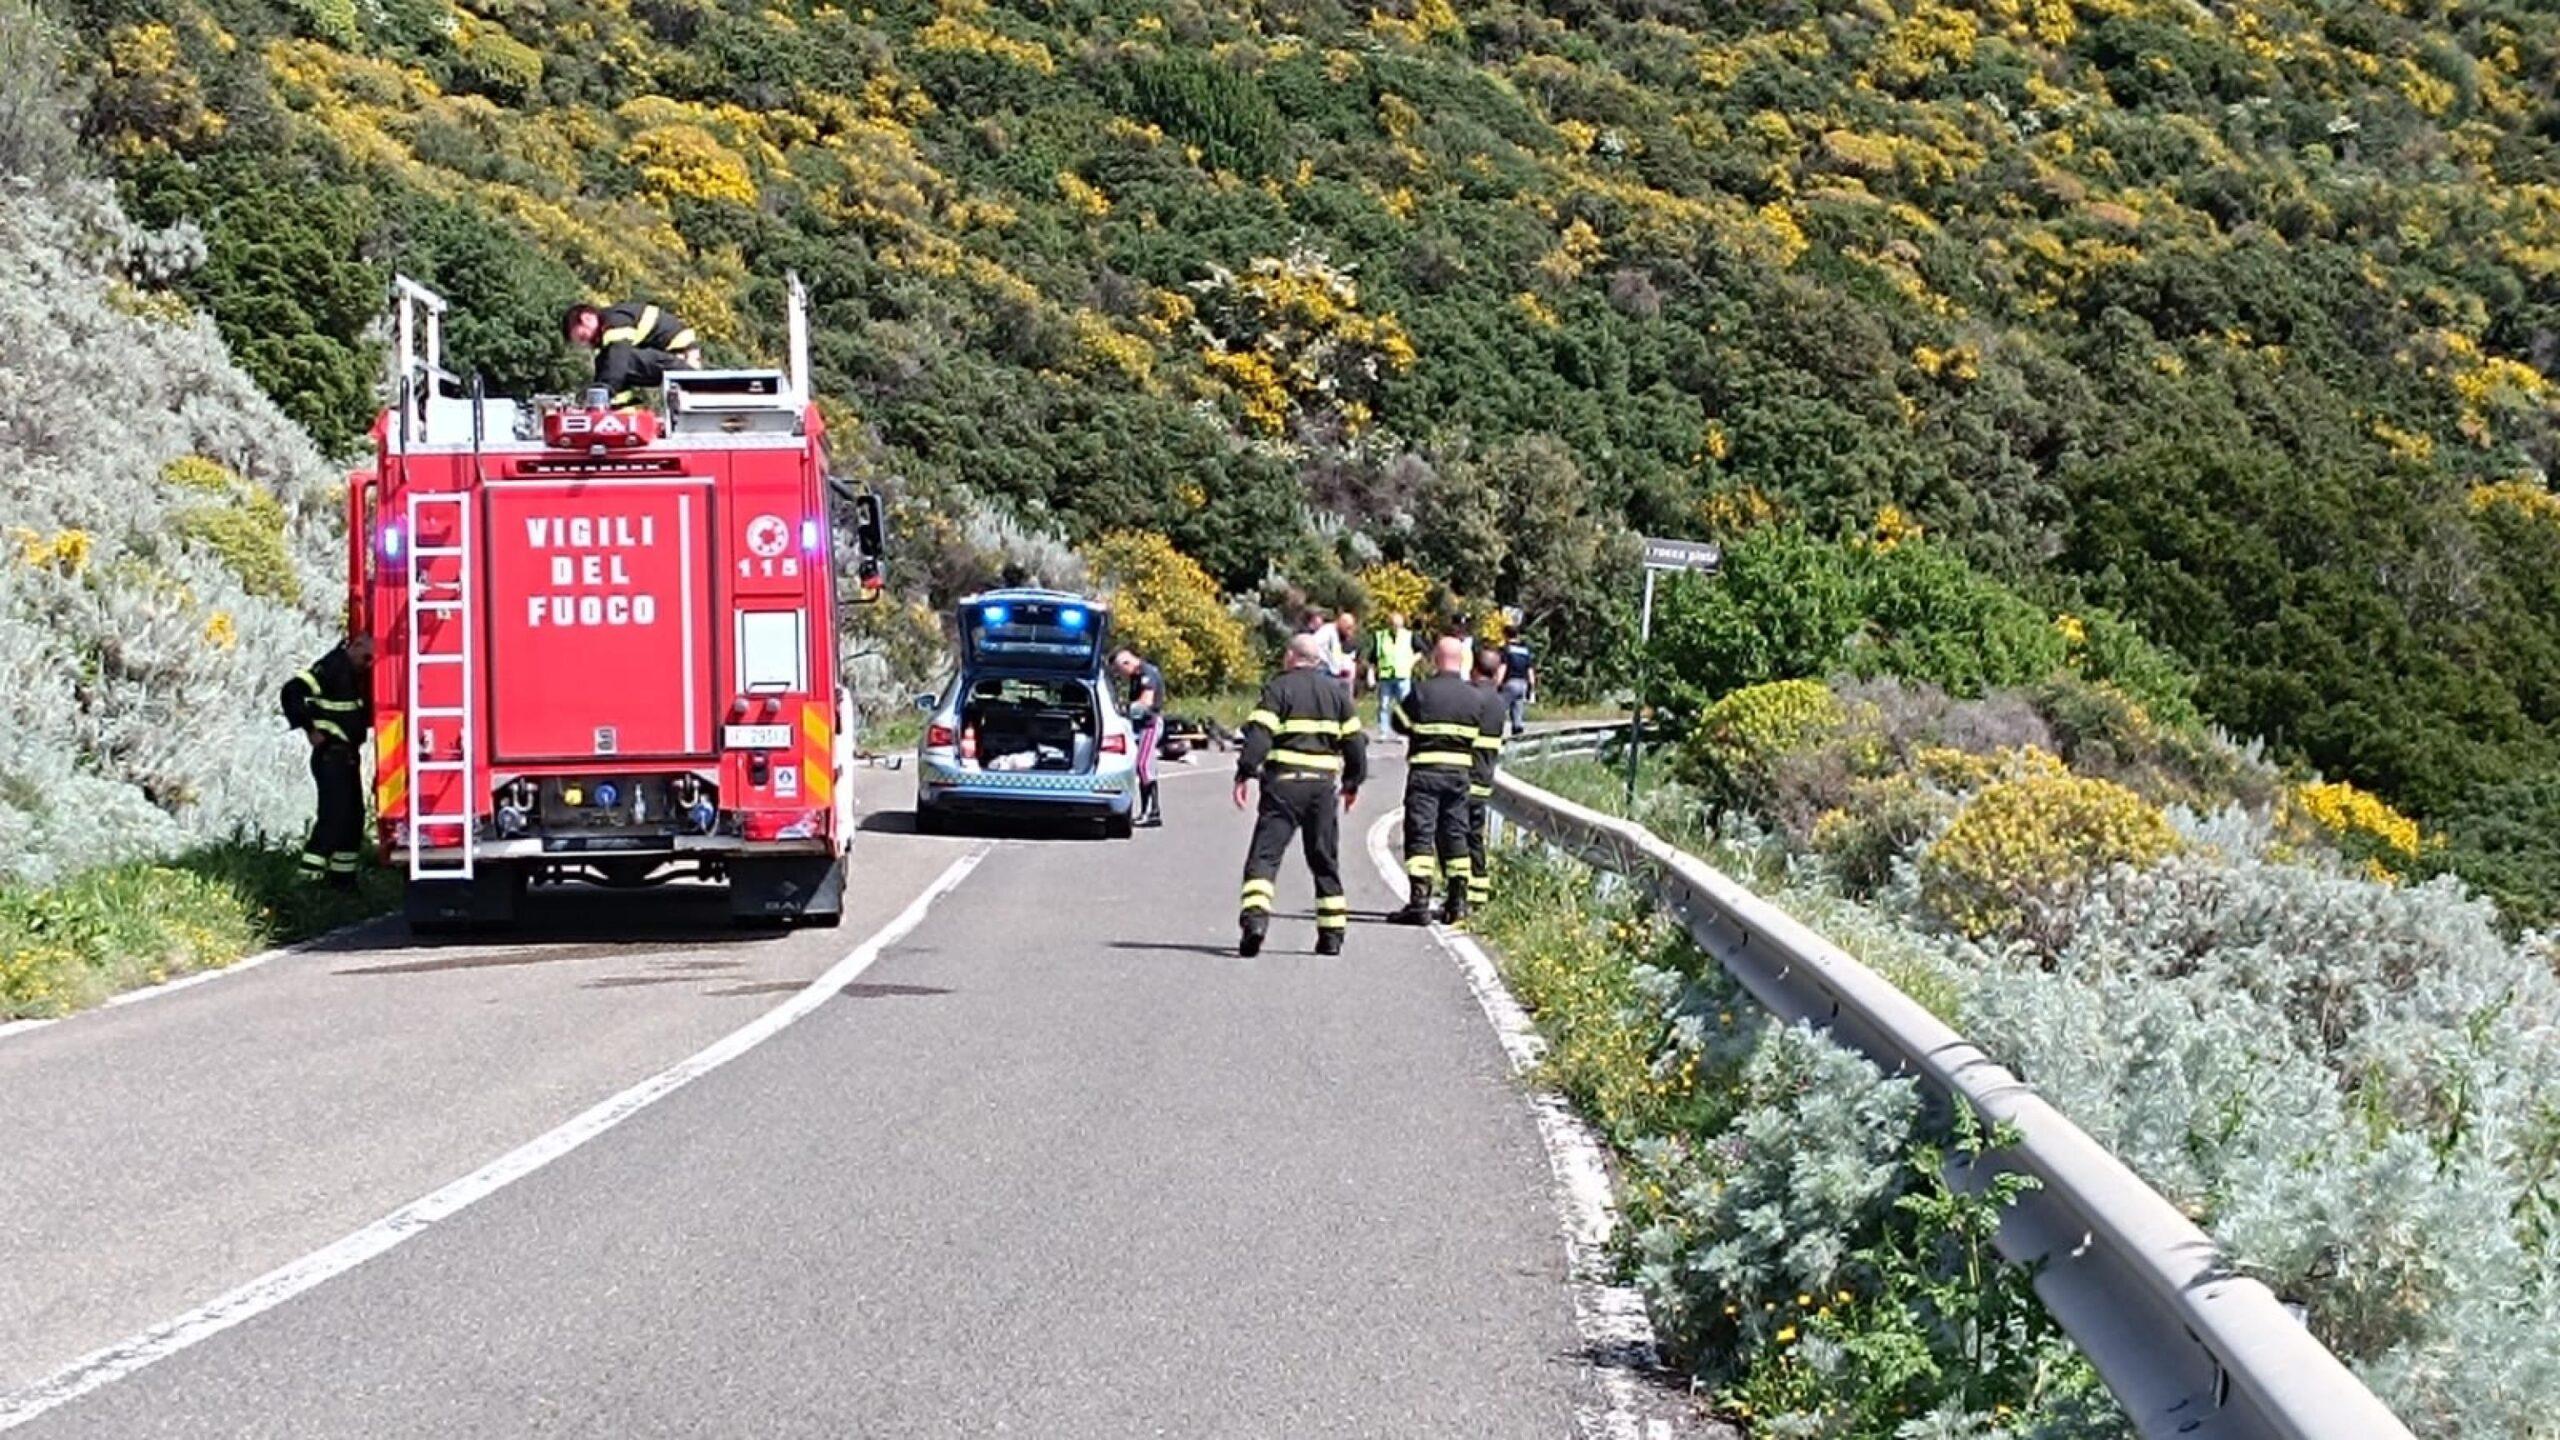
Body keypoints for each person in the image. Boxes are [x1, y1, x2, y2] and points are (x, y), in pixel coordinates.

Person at [1232, 634, 1366, 956]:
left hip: (1283, 787)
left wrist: (1245, 772)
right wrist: (1352, 783)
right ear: (1318, 660)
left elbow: (1260, 736)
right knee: (1324, 860)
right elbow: (1355, 744)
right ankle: (1331, 935)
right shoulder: (1337, 694)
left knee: (1264, 857)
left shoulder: (1279, 689)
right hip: (1321, 789)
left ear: (1291, 656)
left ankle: (1255, 922)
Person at [1389, 637, 1502, 926]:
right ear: (1463, 661)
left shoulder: (1422, 691)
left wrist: (1420, 731)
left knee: (1420, 834)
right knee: (1455, 836)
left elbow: (1398, 722)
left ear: (1436, 660)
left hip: (1425, 774)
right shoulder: (1475, 698)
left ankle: (1419, 903)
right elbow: (1479, 739)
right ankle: (1457, 903)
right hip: (1459, 778)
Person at [280, 633, 375, 888]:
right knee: (333, 818)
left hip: (347, 756)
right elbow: (292, 691)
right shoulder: (331, 667)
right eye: (366, 657)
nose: (368, 665)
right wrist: (310, 729)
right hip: (331, 756)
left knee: (353, 819)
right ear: (353, 647)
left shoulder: (353, 673)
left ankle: (343, 882)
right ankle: (306, 882)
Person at [562, 300, 702, 405]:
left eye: (583, 337)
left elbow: (618, 359)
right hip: (671, 359)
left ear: (587, 318)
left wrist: (600, 392)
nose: (586, 344)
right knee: (608, 364)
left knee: (617, 362)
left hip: (682, 360)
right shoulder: (612, 326)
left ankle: (608, 401)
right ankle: (623, 411)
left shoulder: (615, 321)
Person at [1463, 645, 1510, 913]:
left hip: (1464, 775)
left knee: (1457, 836)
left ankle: (1459, 894)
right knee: (1475, 836)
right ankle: (1478, 895)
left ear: (1474, 669)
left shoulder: (1470, 698)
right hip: (1484, 776)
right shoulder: (1498, 702)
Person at [1115, 647, 1168, 828]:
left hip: (1149, 724)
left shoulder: (1147, 673)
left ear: (1127, 663)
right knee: (1143, 767)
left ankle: (1152, 812)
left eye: (1120, 670)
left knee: (1144, 765)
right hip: (1141, 725)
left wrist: (1123, 709)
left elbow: (1146, 701)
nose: (1120, 674)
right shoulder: (1137, 675)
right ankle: (1150, 811)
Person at [1365, 611, 1418, 742]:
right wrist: (1371, 675)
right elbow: (1373, 658)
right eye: (1394, 625)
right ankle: (1383, 731)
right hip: (1386, 676)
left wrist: (1412, 661)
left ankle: (1404, 732)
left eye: (1399, 626)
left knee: (1404, 705)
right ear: (1389, 625)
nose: (1396, 629)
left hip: (1402, 675)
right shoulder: (1380, 636)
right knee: (1384, 705)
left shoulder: (1409, 636)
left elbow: (1422, 650)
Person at [1498, 629, 1537, 736]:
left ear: (1505, 636)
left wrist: (1496, 684)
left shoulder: (1506, 650)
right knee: (1517, 713)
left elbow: (1503, 668)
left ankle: (1495, 731)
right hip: (1523, 684)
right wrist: (1532, 687)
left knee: (1499, 710)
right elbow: (1530, 670)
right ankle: (1517, 736)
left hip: (1510, 683)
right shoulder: (1525, 650)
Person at [1330, 609, 1361, 695]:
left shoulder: (1354, 642)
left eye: (1351, 627)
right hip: (1333, 676)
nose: (1350, 629)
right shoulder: (1333, 638)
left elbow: (1356, 659)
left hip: (1348, 678)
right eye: (1347, 627)